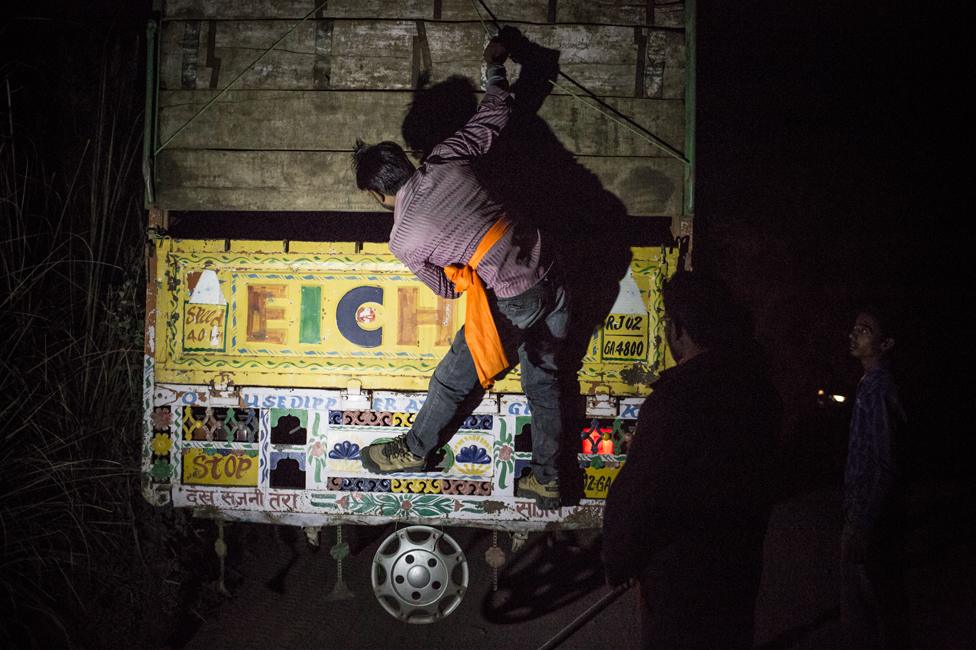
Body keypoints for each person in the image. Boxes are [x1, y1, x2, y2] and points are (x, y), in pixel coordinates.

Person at [351, 31, 569, 508]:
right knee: (544, 379)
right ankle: (547, 478)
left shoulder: (404, 238)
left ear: (376, 194)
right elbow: (498, 110)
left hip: (517, 296)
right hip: (552, 267)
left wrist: (464, 260)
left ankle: (412, 450)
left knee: (452, 377)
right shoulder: (448, 155)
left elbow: (449, 289)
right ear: (404, 161)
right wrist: (493, 64)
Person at [602, 272, 781, 649]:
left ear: (679, 328)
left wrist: (620, 558)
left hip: (680, 583)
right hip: (738, 572)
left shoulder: (677, 399)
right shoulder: (758, 391)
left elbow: (642, 493)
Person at [842, 305, 909, 649]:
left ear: (886, 343)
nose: (854, 334)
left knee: (876, 604)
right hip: (864, 513)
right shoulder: (869, 384)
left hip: (871, 518)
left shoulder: (880, 389)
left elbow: (883, 462)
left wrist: (864, 523)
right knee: (867, 603)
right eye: (855, 328)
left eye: (865, 330)